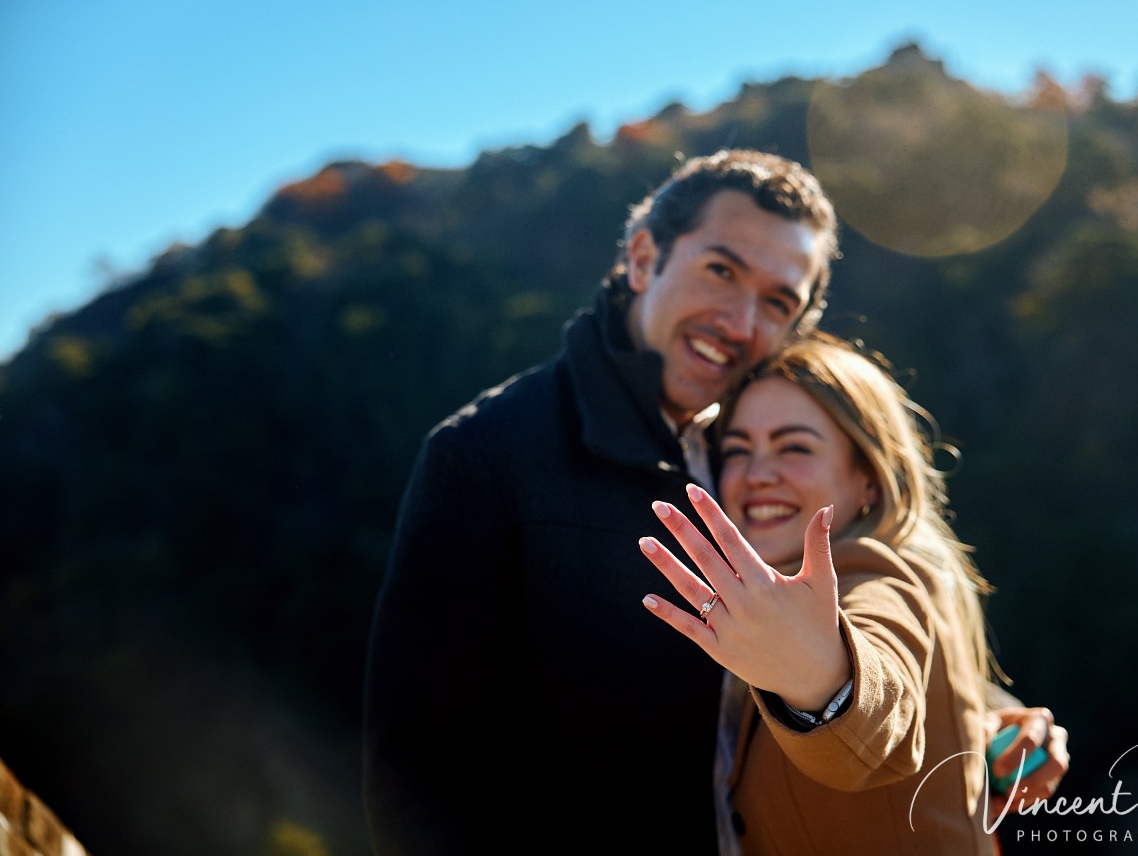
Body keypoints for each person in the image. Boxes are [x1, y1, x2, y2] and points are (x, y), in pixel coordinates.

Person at [361, 149, 842, 853]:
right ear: (645, 258)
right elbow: (418, 775)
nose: (739, 323)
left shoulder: (775, 456)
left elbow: (877, 580)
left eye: (777, 302)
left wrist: (990, 712)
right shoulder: (486, 454)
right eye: (721, 270)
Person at [640, 330, 1070, 854]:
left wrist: (823, 682)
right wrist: (997, 715)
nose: (757, 474)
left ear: (867, 476)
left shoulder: (876, 573)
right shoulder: (805, 588)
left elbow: (879, 689)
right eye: (738, 450)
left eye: (793, 447)